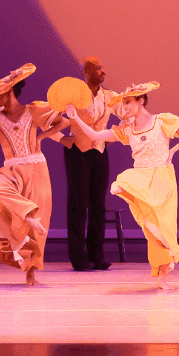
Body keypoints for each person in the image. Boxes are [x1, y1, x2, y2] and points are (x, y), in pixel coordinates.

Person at [63, 82, 179, 290]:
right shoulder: (127, 129)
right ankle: (160, 274)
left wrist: (174, 150)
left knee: (162, 228)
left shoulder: (161, 121)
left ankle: (163, 276)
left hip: (162, 178)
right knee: (144, 218)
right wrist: (76, 118)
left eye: (128, 102)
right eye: (123, 103)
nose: (124, 107)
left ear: (141, 100)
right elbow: (96, 136)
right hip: (141, 177)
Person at [0, 63, 67, 285]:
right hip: (13, 169)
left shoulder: (32, 110)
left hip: (36, 169)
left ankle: (30, 273)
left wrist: (42, 137)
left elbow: (63, 120)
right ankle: (28, 214)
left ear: (9, 92)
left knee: (33, 229)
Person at [60, 56, 120, 271]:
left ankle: (96, 255)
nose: (103, 71)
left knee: (98, 205)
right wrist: (61, 137)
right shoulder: (74, 95)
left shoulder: (109, 96)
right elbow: (49, 118)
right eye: (98, 68)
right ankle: (78, 257)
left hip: (100, 151)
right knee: (78, 205)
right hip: (78, 152)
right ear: (86, 71)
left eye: (103, 67)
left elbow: (126, 111)